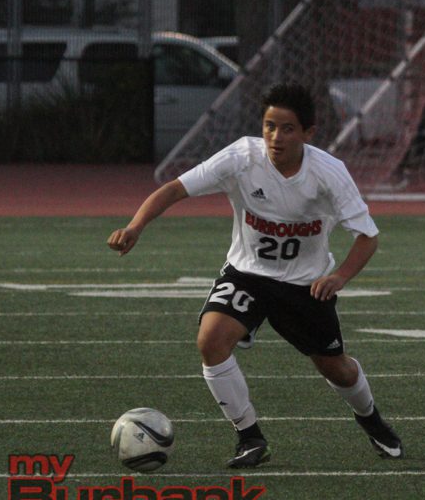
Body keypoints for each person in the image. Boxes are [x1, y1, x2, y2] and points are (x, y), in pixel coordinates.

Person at [107, 82, 403, 466]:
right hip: (247, 274)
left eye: (287, 129)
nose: (275, 137)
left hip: (304, 285)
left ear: (309, 133)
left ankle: (372, 420)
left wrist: (339, 277)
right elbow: (175, 189)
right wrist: (135, 226)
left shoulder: (329, 173)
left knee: (337, 369)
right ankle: (250, 438)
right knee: (211, 340)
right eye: (269, 126)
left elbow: (367, 237)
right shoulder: (242, 157)